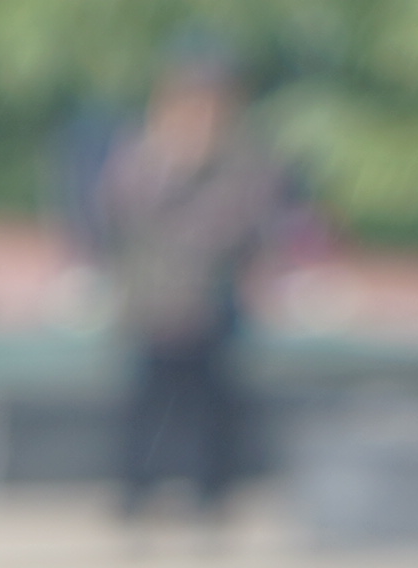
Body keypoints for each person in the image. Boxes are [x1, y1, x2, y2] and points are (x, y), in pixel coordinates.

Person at [95, 45, 295, 533]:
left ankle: (211, 497)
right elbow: (116, 211)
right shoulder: (144, 155)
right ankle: (135, 494)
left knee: (212, 406)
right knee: (146, 404)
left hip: (210, 304)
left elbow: (251, 226)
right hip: (153, 301)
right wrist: (175, 166)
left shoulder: (245, 162)